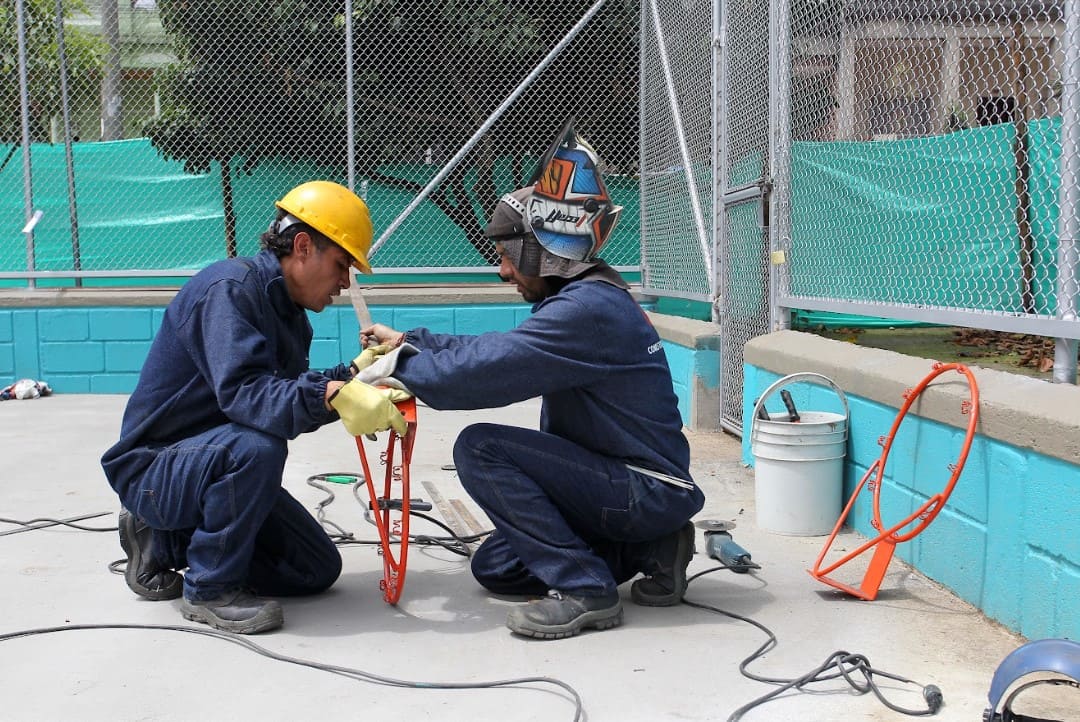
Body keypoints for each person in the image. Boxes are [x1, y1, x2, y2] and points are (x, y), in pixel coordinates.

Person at [359, 128, 705, 640]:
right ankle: (650, 546)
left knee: (481, 447)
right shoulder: (589, 298)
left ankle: (589, 591)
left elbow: (489, 371)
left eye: (507, 255)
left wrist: (397, 370)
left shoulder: (586, 311)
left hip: (643, 487)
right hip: (627, 485)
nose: (502, 272)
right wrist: (410, 342)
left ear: (543, 251)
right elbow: (500, 349)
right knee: (497, 568)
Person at [100, 180, 408, 634]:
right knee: (258, 447)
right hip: (154, 470)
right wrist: (333, 396)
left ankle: (167, 543)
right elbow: (247, 395)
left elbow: (278, 392)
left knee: (315, 570)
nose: (345, 283)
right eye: (342, 265)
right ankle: (208, 588)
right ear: (303, 246)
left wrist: (354, 375)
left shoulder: (290, 317)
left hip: (210, 462)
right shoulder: (229, 290)